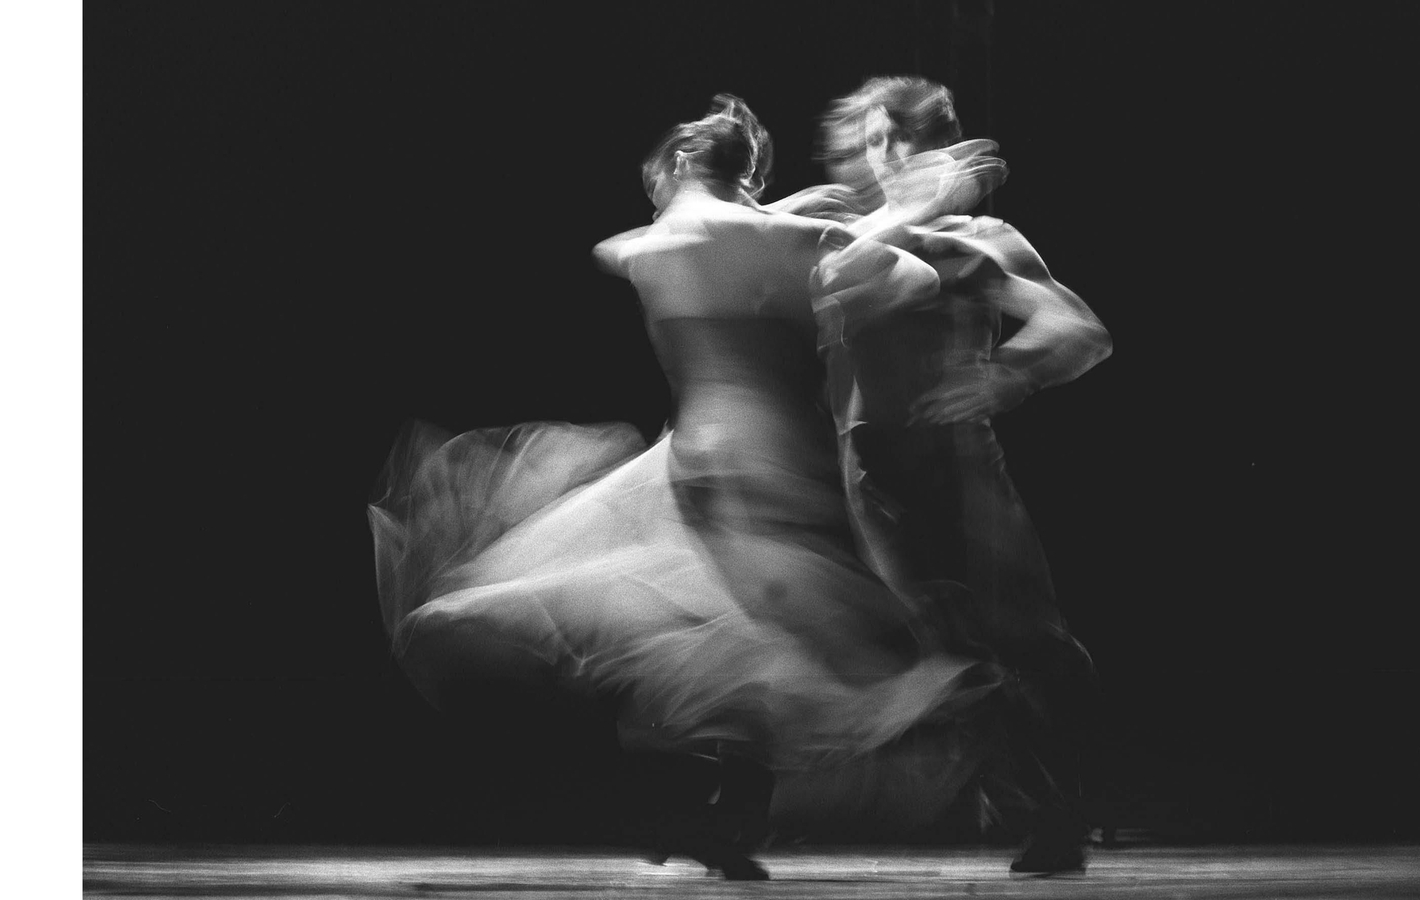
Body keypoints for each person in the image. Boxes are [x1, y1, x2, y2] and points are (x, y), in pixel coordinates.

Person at [368, 94, 995, 880]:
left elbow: (634, 242)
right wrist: (893, 217)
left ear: (674, 168)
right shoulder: (779, 238)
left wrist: (767, 211)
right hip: (768, 451)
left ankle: (711, 818)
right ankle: (730, 810)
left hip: (691, 455)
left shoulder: (652, 244)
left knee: (731, 636)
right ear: (746, 177)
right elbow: (909, 279)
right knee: (784, 639)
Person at [795, 75, 1115, 875]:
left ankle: (1059, 806)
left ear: (938, 140)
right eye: (875, 140)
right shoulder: (846, 230)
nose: (889, 153)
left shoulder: (978, 238)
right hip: (868, 475)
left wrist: (1011, 373)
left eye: (904, 136)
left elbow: (1078, 326)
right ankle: (1027, 793)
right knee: (938, 651)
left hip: (958, 466)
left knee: (1029, 642)